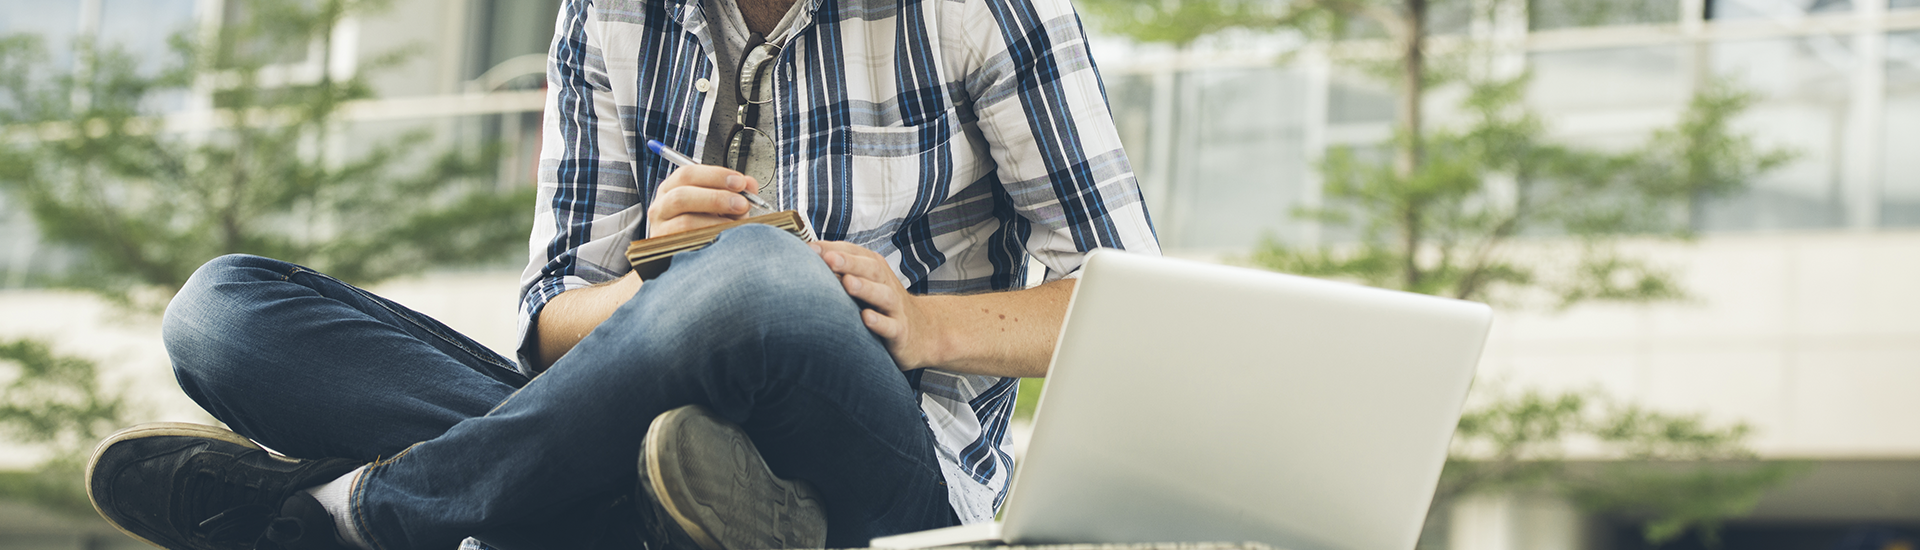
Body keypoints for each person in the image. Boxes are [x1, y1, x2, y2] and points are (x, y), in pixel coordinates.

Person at [83, 0, 1158, 547]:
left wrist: (924, 326)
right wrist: (657, 281)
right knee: (224, 312)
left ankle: (357, 517)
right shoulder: (608, 13)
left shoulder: (980, 10)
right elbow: (553, 318)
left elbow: (1128, 305)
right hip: (625, 411)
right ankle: (665, 516)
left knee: (764, 280)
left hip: (885, 465)